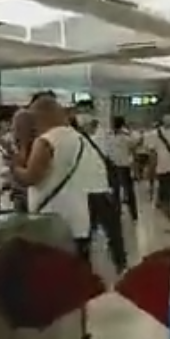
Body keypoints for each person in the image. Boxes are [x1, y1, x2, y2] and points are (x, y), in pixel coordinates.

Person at [12, 92, 94, 339]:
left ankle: (55, 337)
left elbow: (31, 177)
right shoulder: (77, 138)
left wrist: (13, 166)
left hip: (51, 221)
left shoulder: (46, 141)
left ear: (41, 115)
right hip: (79, 218)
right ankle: (80, 334)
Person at [72, 109, 127, 275]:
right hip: (90, 192)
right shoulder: (80, 140)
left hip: (98, 191)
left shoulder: (101, 138)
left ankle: (118, 262)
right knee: (92, 231)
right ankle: (113, 264)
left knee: (107, 230)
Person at [105, 117, 138, 220]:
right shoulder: (109, 135)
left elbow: (134, 144)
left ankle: (133, 213)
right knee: (115, 190)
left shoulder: (126, 135)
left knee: (128, 190)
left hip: (124, 165)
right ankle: (116, 212)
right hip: (112, 165)